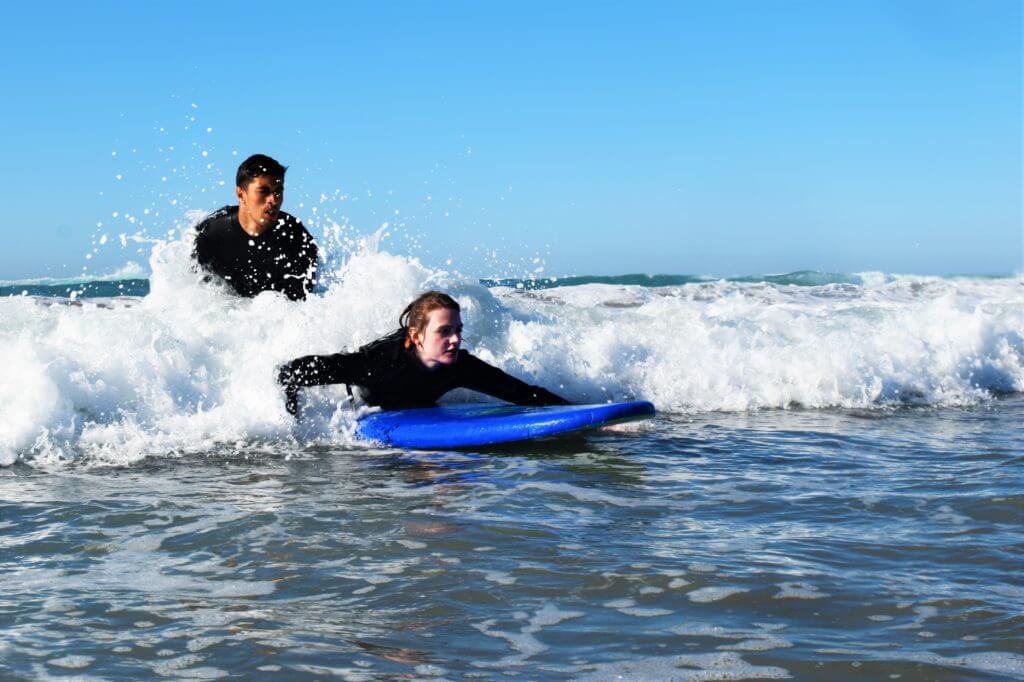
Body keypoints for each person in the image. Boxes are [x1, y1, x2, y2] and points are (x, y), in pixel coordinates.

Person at [278, 291, 569, 416]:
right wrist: (294, 418)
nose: (455, 340)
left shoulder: (459, 365)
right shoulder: (377, 363)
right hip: (375, 401)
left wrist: (579, 412)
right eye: (444, 331)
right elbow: (292, 373)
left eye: (458, 329)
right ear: (416, 336)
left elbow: (522, 393)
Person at [193, 154, 318, 301]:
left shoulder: (296, 238)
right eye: (264, 191)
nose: (274, 199)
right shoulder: (211, 234)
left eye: (278, 191)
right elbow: (194, 295)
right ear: (241, 194)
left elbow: (303, 308)